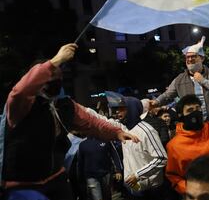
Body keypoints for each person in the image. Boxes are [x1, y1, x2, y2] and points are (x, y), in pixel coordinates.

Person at [1, 43, 138, 200]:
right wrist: (56, 61)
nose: (56, 81)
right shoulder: (20, 106)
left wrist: (117, 133)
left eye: (59, 77)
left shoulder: (64, 105)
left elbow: (92, 123)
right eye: (50, 76)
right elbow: (20, 91)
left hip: (56, 179)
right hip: (23, 184)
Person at [99, 92, 168, 200]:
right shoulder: (123, 128)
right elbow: (103, 121)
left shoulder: (147, 131)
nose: (117, 112)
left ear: (131, 109)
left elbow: (161, 158)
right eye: (116, 109)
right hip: (133, 189)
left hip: (151, 191)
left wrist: (137, 175)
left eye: (122, 109)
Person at [149, 36, 209, 123]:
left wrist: (203, 81)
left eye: (193, 56)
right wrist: (157, 101)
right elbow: (167, 95)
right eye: (187, 57)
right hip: (192, 126)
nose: (189, 59)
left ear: (202, 58)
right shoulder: (179, 79)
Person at [165, 94, 209, 195]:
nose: (195, 112)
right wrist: (191, 191)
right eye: (190, 110)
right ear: (180, 115)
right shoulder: (174, 146)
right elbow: (174, 176)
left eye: (198, 108)